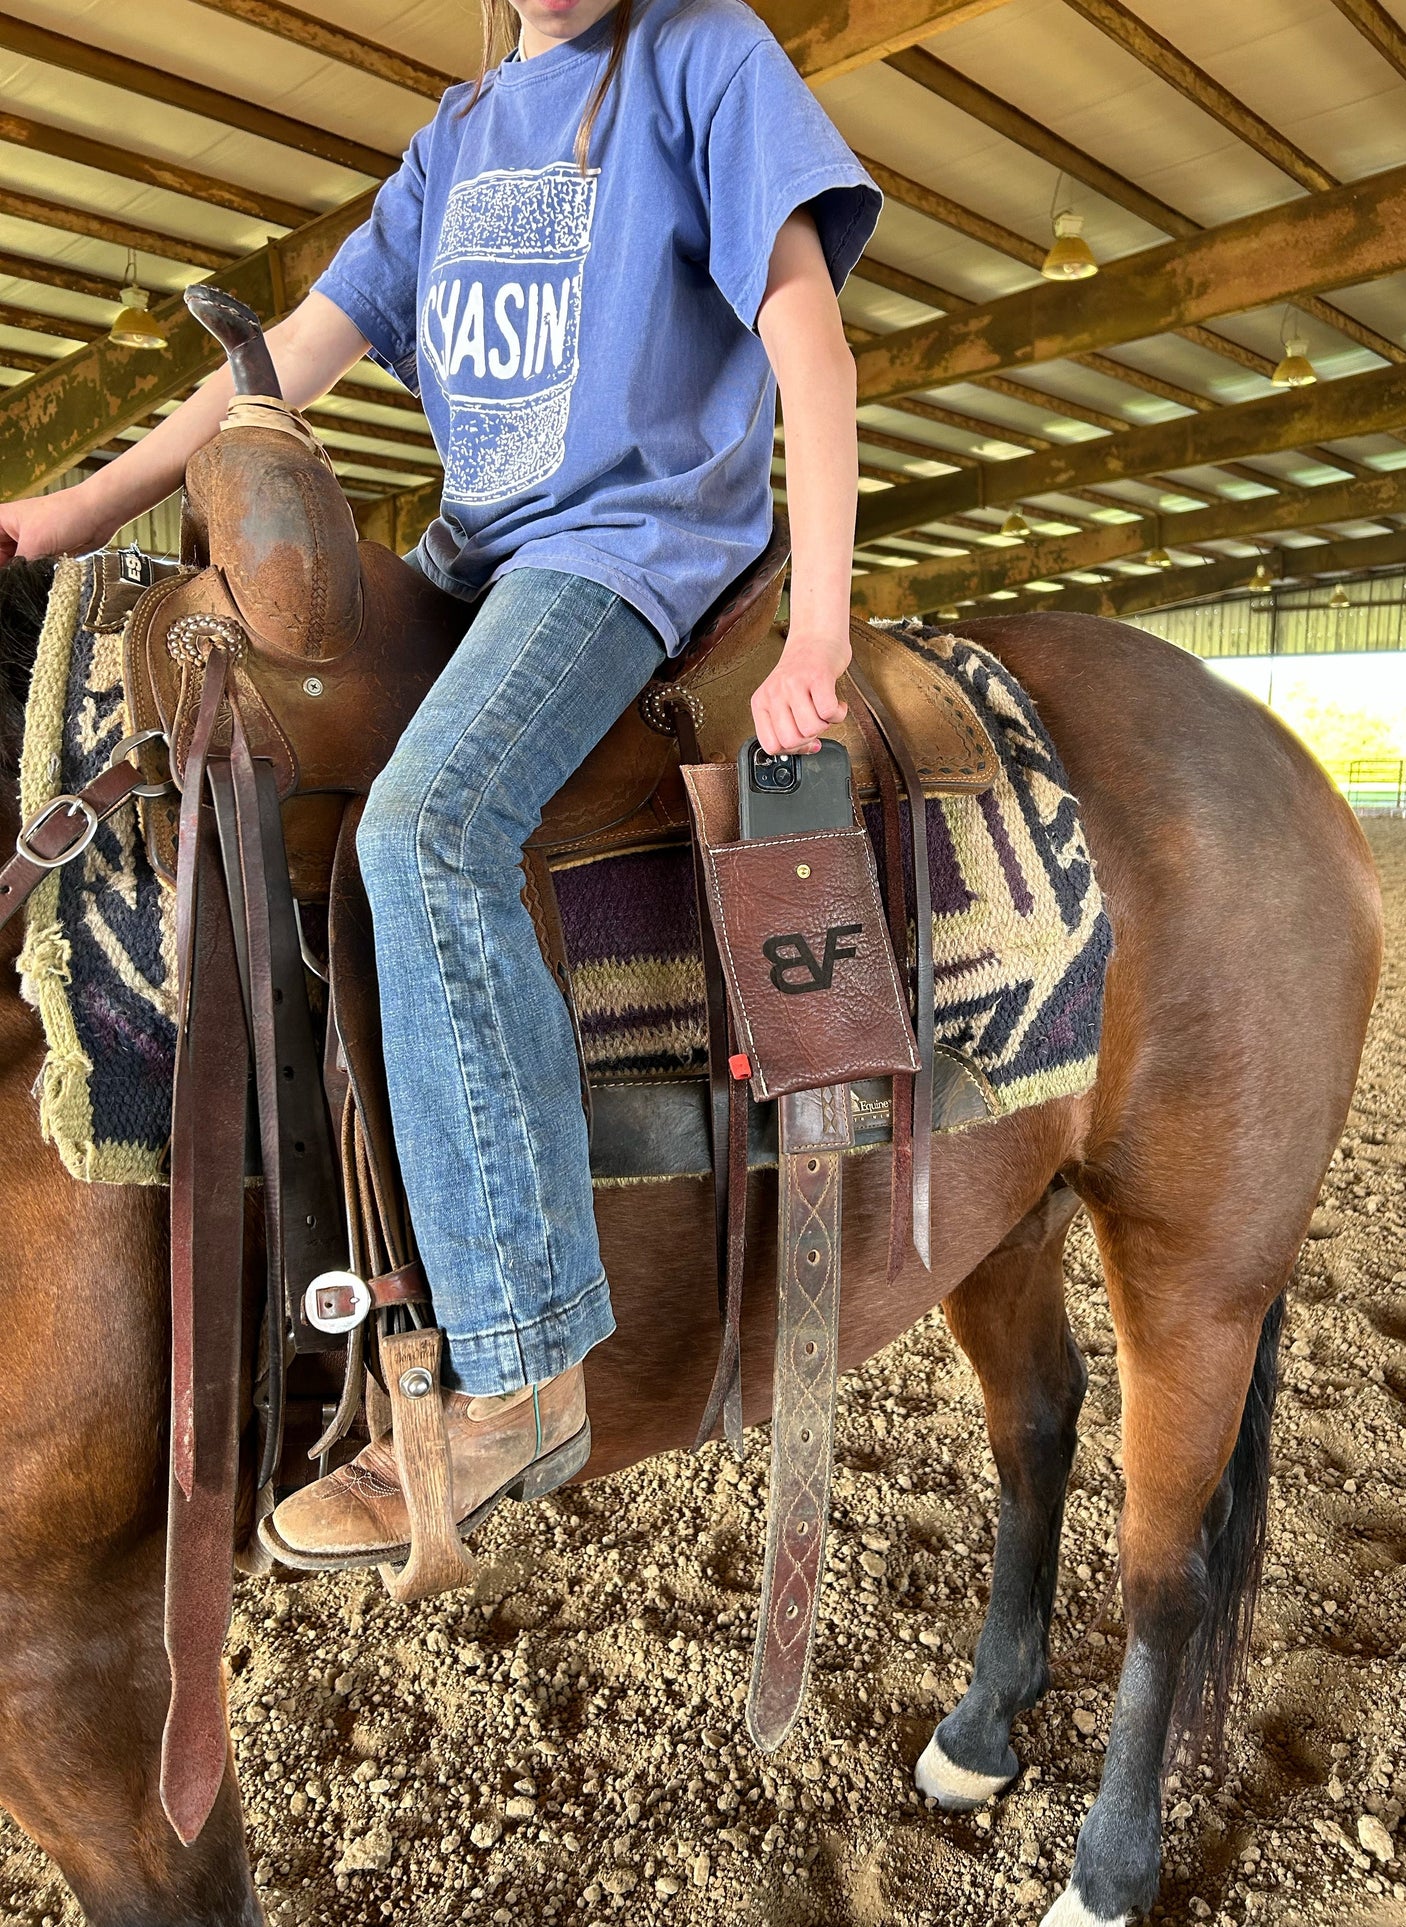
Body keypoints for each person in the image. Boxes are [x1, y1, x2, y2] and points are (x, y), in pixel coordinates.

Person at [0, 0, 881, 1570]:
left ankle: (523, 1360)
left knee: (426, 834)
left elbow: (802, 331)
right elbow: (283, 373)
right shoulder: (454, 142)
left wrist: (818, 612)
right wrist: (86, 503)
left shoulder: (702, 58)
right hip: (471, 562)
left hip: (622, 551)